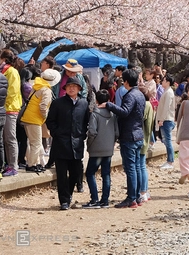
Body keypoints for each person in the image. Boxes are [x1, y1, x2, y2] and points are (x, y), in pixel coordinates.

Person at [102, 69, 145, 208]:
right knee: (137, 167)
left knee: (131, 168)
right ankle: (137, 196)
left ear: (126, 81)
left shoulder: (130, 95)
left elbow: (125, 112)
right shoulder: (140, 94)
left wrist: (109, 105)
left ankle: (131, 198)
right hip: (138, 134)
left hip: (129, 135)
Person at [45, 76, 90, 210]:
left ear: (79, 89)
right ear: (65, 88)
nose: (71, 88)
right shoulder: (57, 103)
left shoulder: (83, 103)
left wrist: (82, 134)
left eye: (74, 87)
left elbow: (86, 122)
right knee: (61, 174)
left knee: (76, 172)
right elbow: (50, 121)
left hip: (77, 143)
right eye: (69, 86)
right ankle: (64, 200)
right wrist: (56, 133)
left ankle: (68, 194)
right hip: (61, 143)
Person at [83, 89, 119, 208]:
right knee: (106, 174)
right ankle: (105, 200)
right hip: (108, 148)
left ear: (96, 100)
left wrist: (89, 144)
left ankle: (94, 199)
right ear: (108, 100)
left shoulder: (95, 113)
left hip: (96, 148)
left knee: (90, 173)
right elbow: (117, 132)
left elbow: (92, 132)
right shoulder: (113, 114)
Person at [20, 68, 60, 172]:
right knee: (37, 143)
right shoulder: (46, 90)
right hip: (35, 119)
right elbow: (43, 106)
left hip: (28, 117)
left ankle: (35, 162)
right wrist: (45, 117)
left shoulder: (37, 85)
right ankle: (31, 164)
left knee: (32, 142)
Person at [0, 49, 22, 177]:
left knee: (10, 138)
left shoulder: (11, 72)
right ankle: (9, 164)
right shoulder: (5, 71)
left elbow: (12, 92)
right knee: (5, 138)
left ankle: (13, 166)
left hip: (10, 108)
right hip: (5, 108)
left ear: (4, 59)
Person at [157, 74, 176, 169]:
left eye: (164, 80)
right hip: (166, 119)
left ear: (168, 82)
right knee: (166, 140)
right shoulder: (167, 91)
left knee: (167, 141)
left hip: (167, 119)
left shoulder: (169, 92)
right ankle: (169, 160)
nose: (162, 81)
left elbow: (166, 107)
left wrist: (162, 119)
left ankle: (170, 161)